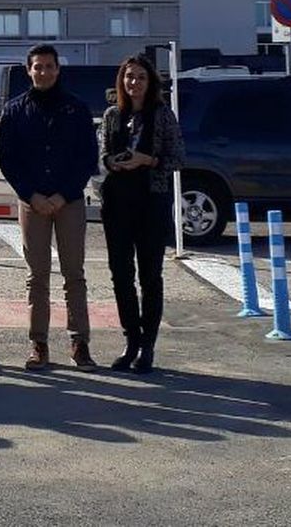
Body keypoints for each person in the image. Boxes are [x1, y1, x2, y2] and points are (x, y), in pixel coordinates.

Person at [0, 43, 100, 371]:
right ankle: (38, 343)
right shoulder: (14, 110)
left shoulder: (76, 108)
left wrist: (63, 194)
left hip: (68, 201)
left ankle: (79, 342)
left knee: (74, 275)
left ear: (58, 70)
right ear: (29, 70)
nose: (43, 72)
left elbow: (87, 157)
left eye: (49, 66)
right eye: (37, 67)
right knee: (36, 276)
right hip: (32, 202)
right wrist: (32, 194)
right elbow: (7, 159)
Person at [100, 54, 185, 373]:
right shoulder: (112, 115)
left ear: (150, 83)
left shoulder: (162, 115)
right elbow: (103, 155)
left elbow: (178, 157)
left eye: (139, 77)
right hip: (118, 202)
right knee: (121, 275)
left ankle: (147, 345)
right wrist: (114, 162)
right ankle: (130, 340)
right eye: (128, 77)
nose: (133, 82)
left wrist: (146, 160)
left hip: (152, 200)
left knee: (150, 275)